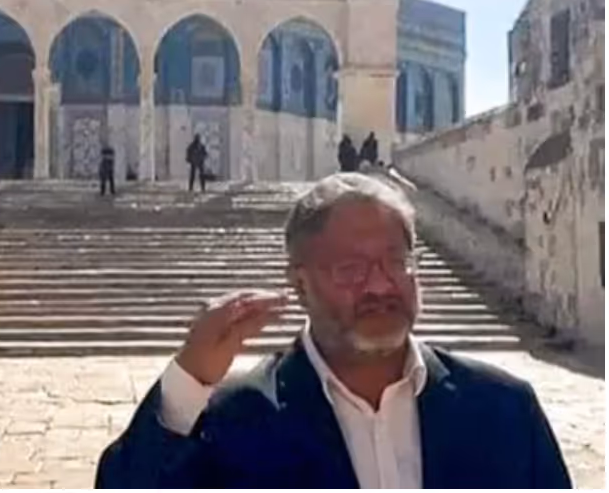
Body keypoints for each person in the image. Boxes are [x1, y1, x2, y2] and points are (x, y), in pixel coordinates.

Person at [95, 173, 572, 489]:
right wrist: (187, 381)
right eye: (351, 268)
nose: (381, 284)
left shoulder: (503, 409)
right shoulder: (235, 419)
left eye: (395, 261)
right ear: (299, 283)